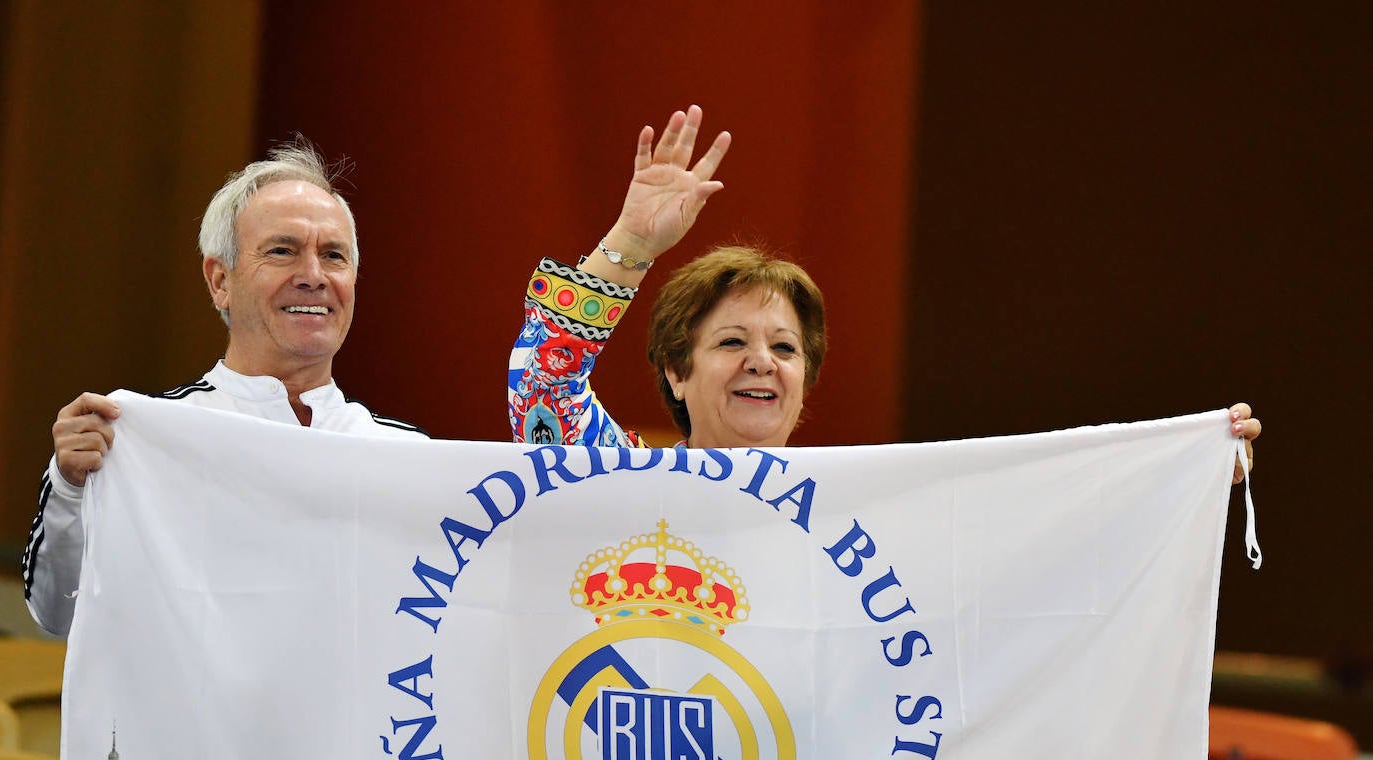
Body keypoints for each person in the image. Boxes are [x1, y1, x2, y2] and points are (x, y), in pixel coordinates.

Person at [507, 106, 1262, 473]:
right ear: (675, 369)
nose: (763, 362)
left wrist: (1187, 474)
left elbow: (1043, 538)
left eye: (784, 348)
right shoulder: (612, 481)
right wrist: (631, 245)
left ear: (807, 380)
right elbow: (544, 383)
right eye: (731, 341)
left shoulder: (872, 507)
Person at [22, 139, 426, 638]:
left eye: (334, 255)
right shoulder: (131, 441)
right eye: (283, 251)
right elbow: (56, 614)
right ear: (220, 281)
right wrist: (69, 487)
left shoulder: (410, 457)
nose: (313, 276)